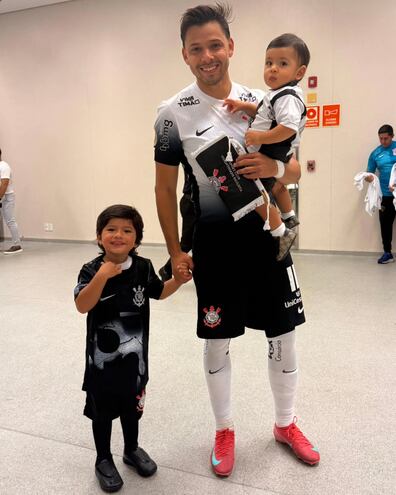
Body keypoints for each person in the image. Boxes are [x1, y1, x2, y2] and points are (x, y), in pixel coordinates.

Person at [154, 3, 319, 478]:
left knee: (284, 334)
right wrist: (174, 251)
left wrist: (273, 168)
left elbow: (292, 169)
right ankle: (224, 428)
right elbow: (164, 188)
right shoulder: (171, 114)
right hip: (215, 247)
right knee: (217, 338)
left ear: (230, 47)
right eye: (196, 48)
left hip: (268, 241)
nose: (208, 56)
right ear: (185, 55)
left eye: (215, 45)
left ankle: (286, 424)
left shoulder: (266, 99)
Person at [74, 204, 188, 492]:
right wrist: (102, 276)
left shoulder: (143, 267)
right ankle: (102, 458)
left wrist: (179, 281)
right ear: (99, 237)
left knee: (131, 408)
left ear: (136, 239)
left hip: (134, 361)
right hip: (102, 363)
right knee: (102, 412)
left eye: (127, 230)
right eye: (111, 229)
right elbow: (82, 305)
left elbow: (159, 292)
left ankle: (131, 449)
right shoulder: (90, 270)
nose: (118, 235)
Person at [223, 33, 309, 260]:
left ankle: (282, 231)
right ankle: (289, 216)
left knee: (255, 193)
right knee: (277, 187)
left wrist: (261, 137)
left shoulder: (288, 96)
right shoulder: (277, 95)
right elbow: (263, 113)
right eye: (269, 63)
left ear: (299, 73)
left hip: (271, 150)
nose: (273, 69)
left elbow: (288, 127)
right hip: (274, 150)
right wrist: (243, 105)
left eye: (282, 64)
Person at [365, 124, 396, 264]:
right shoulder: (375, 153)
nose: (383, 141)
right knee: (385, 226)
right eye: (381, 139)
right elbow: (368, 173)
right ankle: (387, 253)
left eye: (386, 138)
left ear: (392, 136)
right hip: (384, 197)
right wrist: (369, 178)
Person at [158, 171, 196, 281]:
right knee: (187, 242)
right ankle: (166, 269)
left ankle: (166, 269)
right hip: (192, 201)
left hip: (197, 201)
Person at [0, 149, 23, 254]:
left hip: (7, 197)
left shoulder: (4, 166)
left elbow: (4, 184)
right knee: (9, 220)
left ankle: (17, 245)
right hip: (3, 196)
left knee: (10, 220)